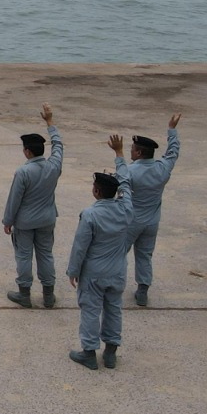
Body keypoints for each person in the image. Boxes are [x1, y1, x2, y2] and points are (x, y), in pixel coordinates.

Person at [66, 137, 136, 370]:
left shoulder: (90, 214)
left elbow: (80, 246)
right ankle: (111, 352)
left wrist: (73, 271)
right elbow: (125, 182)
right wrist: (119, 153)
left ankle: (88, 352)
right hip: (117, 271)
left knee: (90, 310)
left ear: (96, 191)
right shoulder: (126, 208)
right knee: (113, 309)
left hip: (94, 272)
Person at [2, 104, 65, 309]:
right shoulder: (53, 166)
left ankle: (24, 293)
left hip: (25, 221)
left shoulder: (23, 172)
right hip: (47, 219)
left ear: (27, 151)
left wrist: (8, 220)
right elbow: (58, 146)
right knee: (46, 254)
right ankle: (48, 295)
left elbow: (14, 199)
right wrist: (50, 122)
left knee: (24, 255)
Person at [116, 114, 183, 306]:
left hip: (131, 220)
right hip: (152, 220)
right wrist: (172, 129)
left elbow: (120, 181)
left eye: (132, 149)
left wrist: (118, 154)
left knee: (119, 252)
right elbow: (173, 152)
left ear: (138, 153)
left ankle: (115, 285)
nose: (130, 151)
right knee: (145, 254)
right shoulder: (162, 168)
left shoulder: (131, 171)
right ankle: (143, 290)